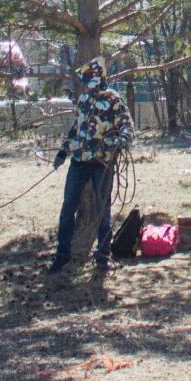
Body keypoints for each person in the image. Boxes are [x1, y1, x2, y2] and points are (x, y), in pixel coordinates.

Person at [48, 57, 132, 275]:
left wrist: (120, 141)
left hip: (101, 163)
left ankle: (103, 257)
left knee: (102, 212)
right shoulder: (84, 99)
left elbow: (126, 126)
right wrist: (62, 151)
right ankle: (62, 256)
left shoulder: (114, 99)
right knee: (68, 208)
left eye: (87, 78)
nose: (84, 83)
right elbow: (76, 128)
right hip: (78, 161)